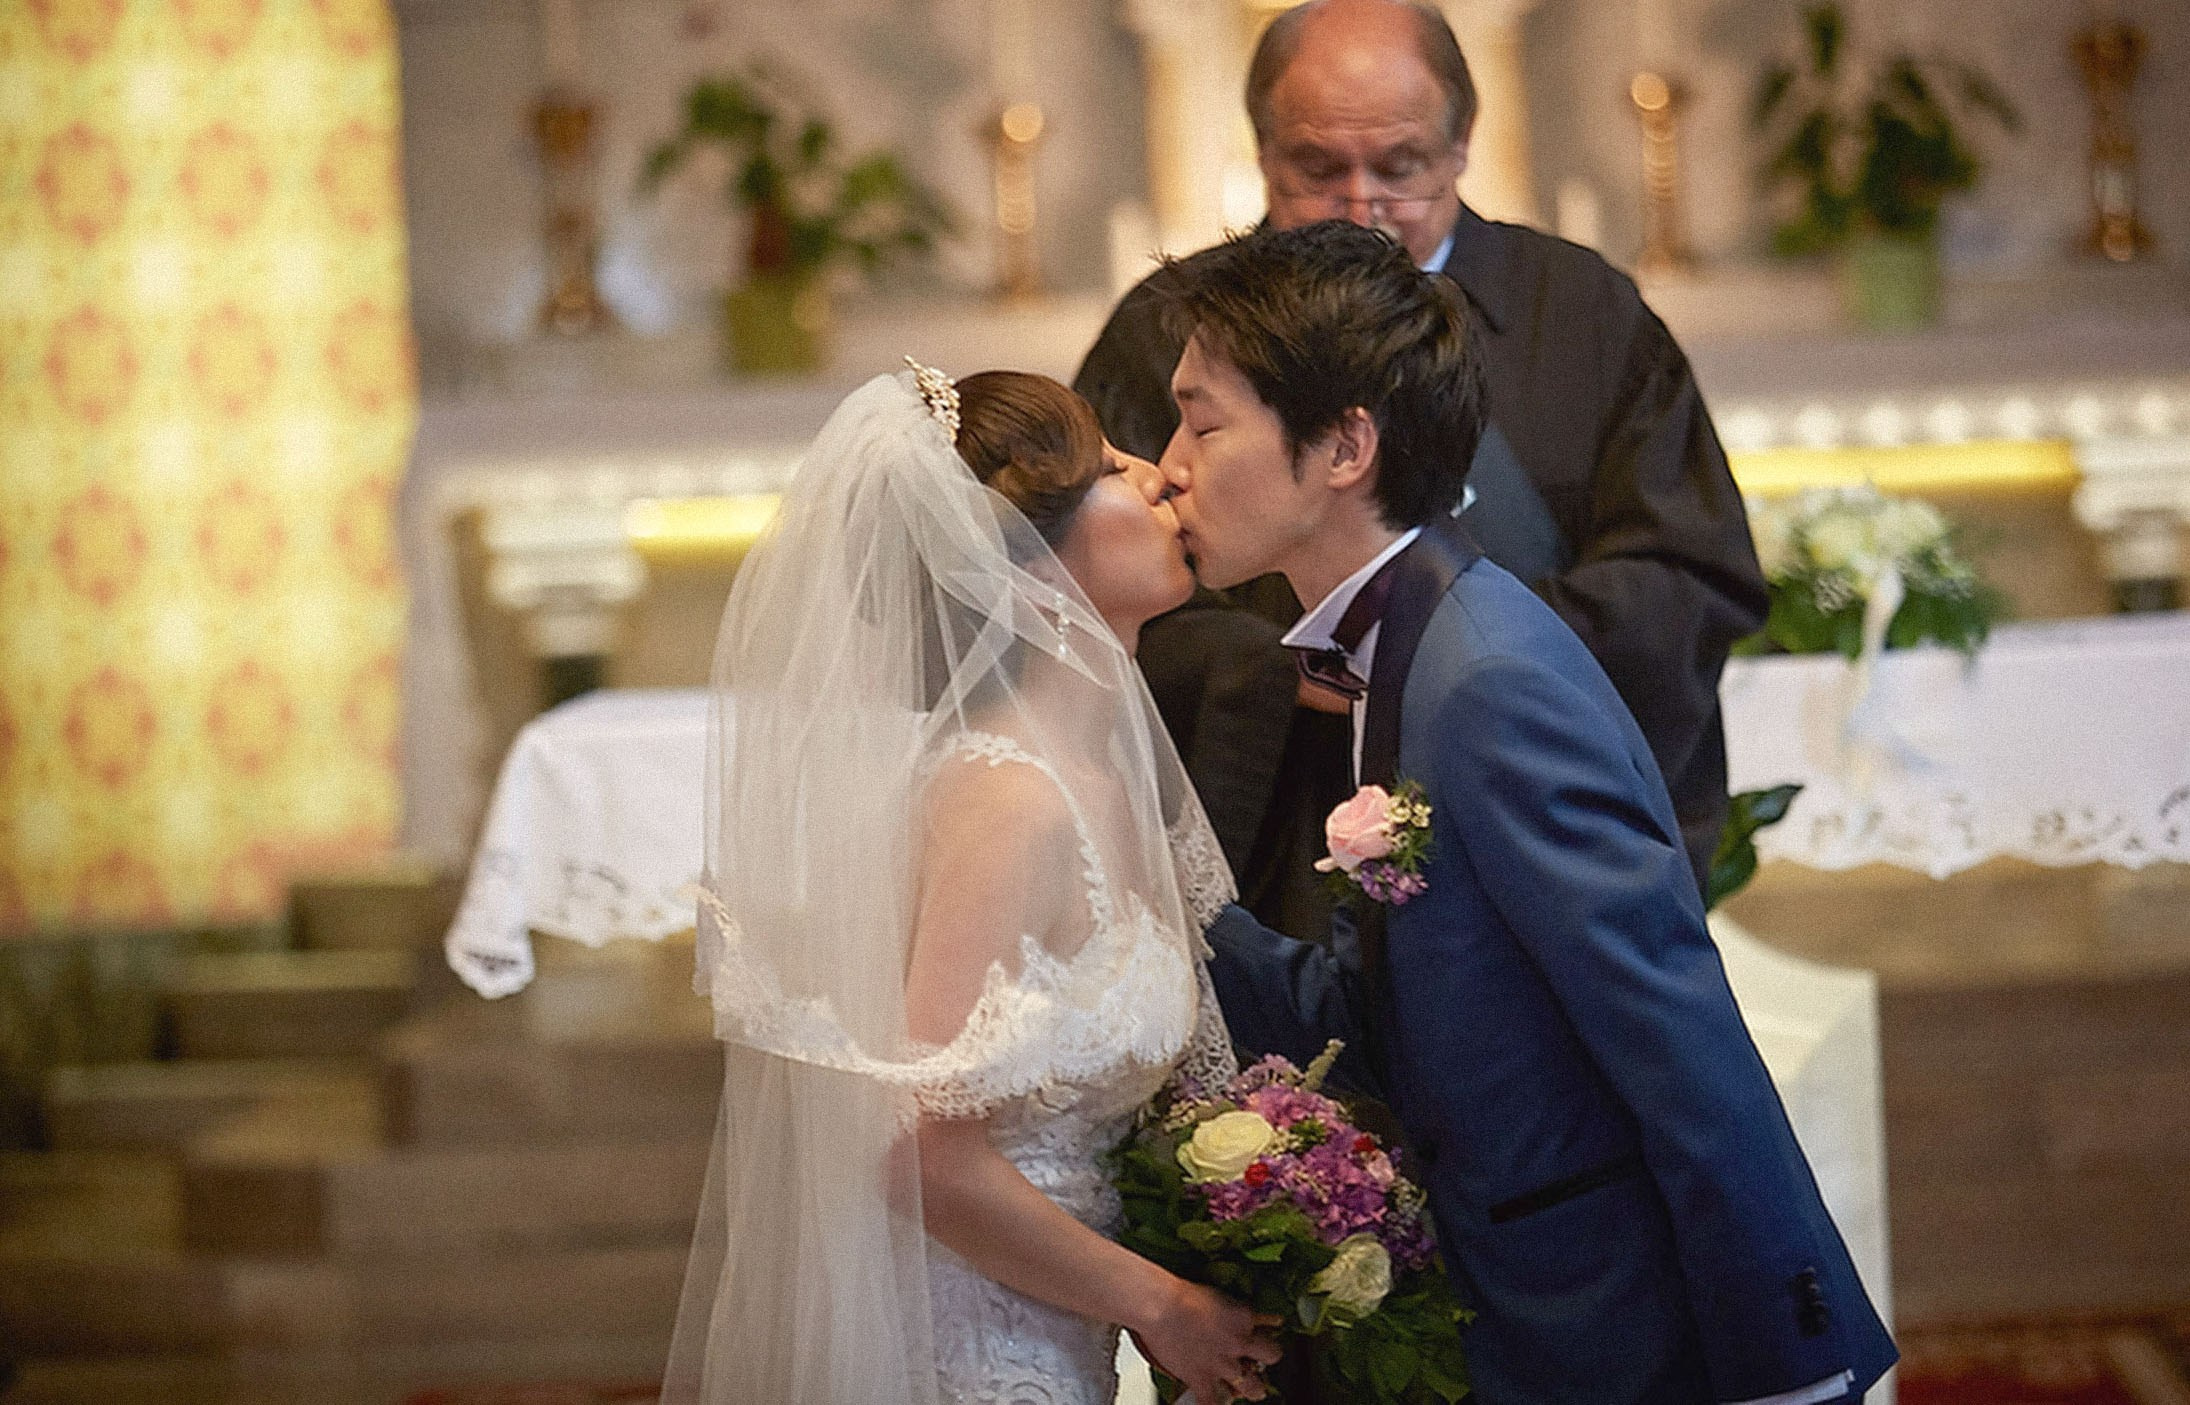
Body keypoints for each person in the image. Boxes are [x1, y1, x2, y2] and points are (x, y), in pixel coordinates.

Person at [1161, 220, 1896, 1405]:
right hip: (1519, 1316)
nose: (1169, 465)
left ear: (1346, 443)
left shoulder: (1482, 675)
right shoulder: (1399, 646)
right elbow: (1391, 997)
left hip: (1599, 1328)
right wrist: (1160, 907)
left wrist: (1791, 1358)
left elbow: (1671, 1019)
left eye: (1202, 421)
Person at [1074, 0, 1766, 933]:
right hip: (1278, 843)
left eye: (1399, 166)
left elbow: (1689, 575)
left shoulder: (1582, 314)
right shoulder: (1171, 329)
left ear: (1461, 143)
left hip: (1537, 836)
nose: (1362, 205)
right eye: (1318, 168)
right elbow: (1076, 588)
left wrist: (1450, 660)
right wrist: (1280, 674)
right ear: (1263, 150)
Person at [664, 366, 1281, 1405]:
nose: (1163, 481)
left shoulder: (1101, 775)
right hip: (972, 1357)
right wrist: (1161, 1306)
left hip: (1069, 1334)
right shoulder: (1010, 803)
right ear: (1026, 560)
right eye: (1118, 466)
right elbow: (911, 1149)